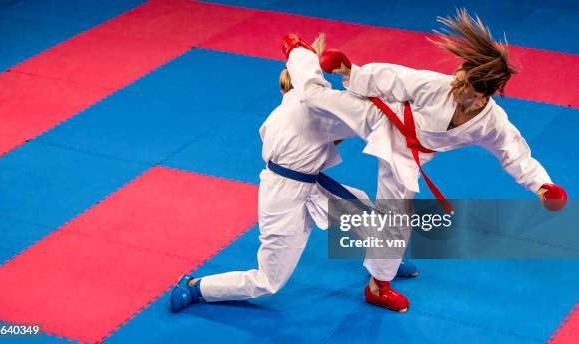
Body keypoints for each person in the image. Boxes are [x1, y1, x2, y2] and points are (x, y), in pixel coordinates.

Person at [283, 9, 566, 312]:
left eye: (465, 87)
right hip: (381, 117)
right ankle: (297, 52)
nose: (456, 85)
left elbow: (514, 153)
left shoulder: (492, 123)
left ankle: (379, 282)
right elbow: (394, 79)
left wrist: (541, 185)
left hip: (402, 155)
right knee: (313, 98)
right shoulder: (437, 85)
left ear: (483, 97)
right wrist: (351, 71)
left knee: (395, 218)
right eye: (460, 77)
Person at [169, 35, 415, 314]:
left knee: (373, 219)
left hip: (311, 184)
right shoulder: (315, 108)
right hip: (283, 197)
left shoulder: (286, 107)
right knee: (269, 280)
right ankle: (195, 286)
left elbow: (322, 137)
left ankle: (384, 265)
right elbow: (364, 120)